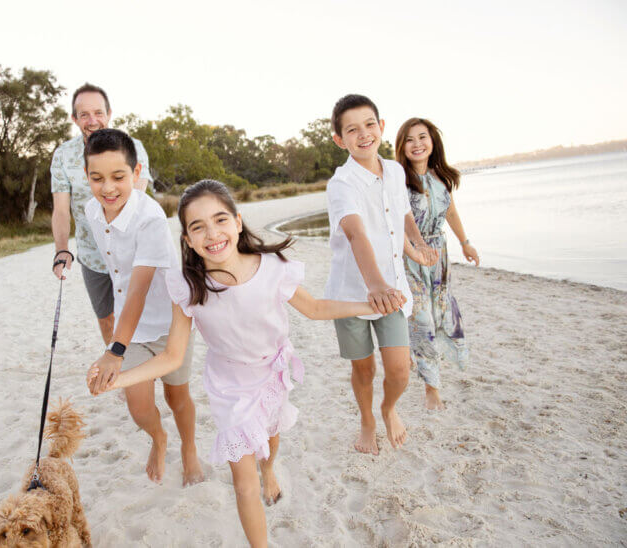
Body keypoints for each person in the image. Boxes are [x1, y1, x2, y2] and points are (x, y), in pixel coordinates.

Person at [88, 179, 381, 548]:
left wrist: (371, 304)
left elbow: (317, 309)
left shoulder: (272, 267)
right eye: (198, 227)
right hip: (229, 387)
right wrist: (117, 380)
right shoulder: (188, 286)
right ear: (187, 240)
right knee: (244, 485)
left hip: (272, 372)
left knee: (271, 435)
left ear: (238, 222)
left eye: (220, 220)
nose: (212, 234)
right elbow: (172, 356)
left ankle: (269, 469)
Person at [82, 129, 203, 486]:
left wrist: (113, 351)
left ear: (136, 174)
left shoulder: (150, 217)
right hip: (131, 328)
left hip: (170, 323)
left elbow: (138, 288)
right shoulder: (91, 210)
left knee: (176, 396)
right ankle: (159, 438)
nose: (108, 188)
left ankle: (189, 450)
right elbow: (116, 274)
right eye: (97, 178)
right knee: (137, 406)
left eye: (118, 177)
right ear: (86, 175)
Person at [326, 94, 438, 455]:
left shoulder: (394, 171)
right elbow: (356, 233)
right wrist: (375, 286)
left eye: (369, 124)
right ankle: (367, 421)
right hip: (352, 294)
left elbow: (402, 214)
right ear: (339, 140)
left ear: (382, 127)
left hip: (392, 290)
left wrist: (418, 245)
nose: (363, 134)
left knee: (400, 370)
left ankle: (388, 409)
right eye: (352, 130)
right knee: (364, 370)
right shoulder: (342, 183)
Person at [50, 83, 154, 344]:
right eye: (84, 115)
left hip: (132, 255)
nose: (92, 120)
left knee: (138, 316)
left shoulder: (133, 148)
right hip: (92, 257)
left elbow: (135, 204)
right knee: (107, 319)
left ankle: (139, 363)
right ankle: (115, 361)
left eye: (98, 113)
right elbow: (61, 210)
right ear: (74, 119)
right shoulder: (63, 155)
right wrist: (61, 250)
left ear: (109, 114)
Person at [395, 117, 480, 410]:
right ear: (402, 146)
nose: (417, 144)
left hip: (438, 258)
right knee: (422, 319)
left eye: (422, 137)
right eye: (409, 139)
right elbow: (394, 223)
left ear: (433, 141)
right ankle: (432, 388)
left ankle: (419, 360)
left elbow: (451, 213)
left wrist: (465, 242)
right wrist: (413, 250)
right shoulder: (398, 181)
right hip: (408, 258)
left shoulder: (441, 178)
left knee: (438, 315)